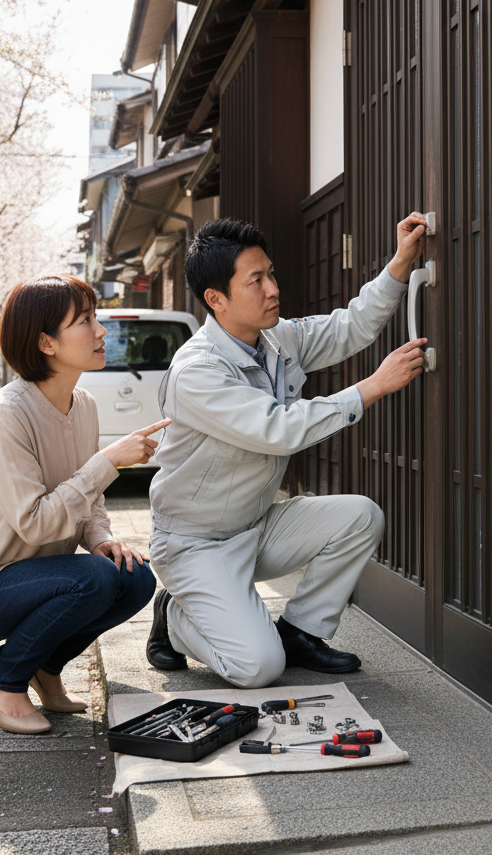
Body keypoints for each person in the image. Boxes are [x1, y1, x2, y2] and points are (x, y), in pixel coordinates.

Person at [146, 213, 428, 688]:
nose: (273, 288)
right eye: (255, 280)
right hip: (195, 544)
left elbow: (348, 328)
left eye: (270, 273)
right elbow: (278, 429)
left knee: (361, 516)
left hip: (255, 528)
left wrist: (401, 263)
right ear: (217, 299)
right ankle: (176, 617)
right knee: (257, 667)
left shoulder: (277, 338)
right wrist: (372, 387)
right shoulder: (197, 371)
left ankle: (301, 632)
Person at [0, 275, 164, 734]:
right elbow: (36, 524)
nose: (101, 331)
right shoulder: (5, 415)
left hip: (29, 578)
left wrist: (102, 539)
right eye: (86, 321)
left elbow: (87, 502)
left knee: (133, 577)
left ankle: (42, 668)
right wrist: (107, 462)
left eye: (95, 318)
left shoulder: (85, 404)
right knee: (95, 579)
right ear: (45, 342)